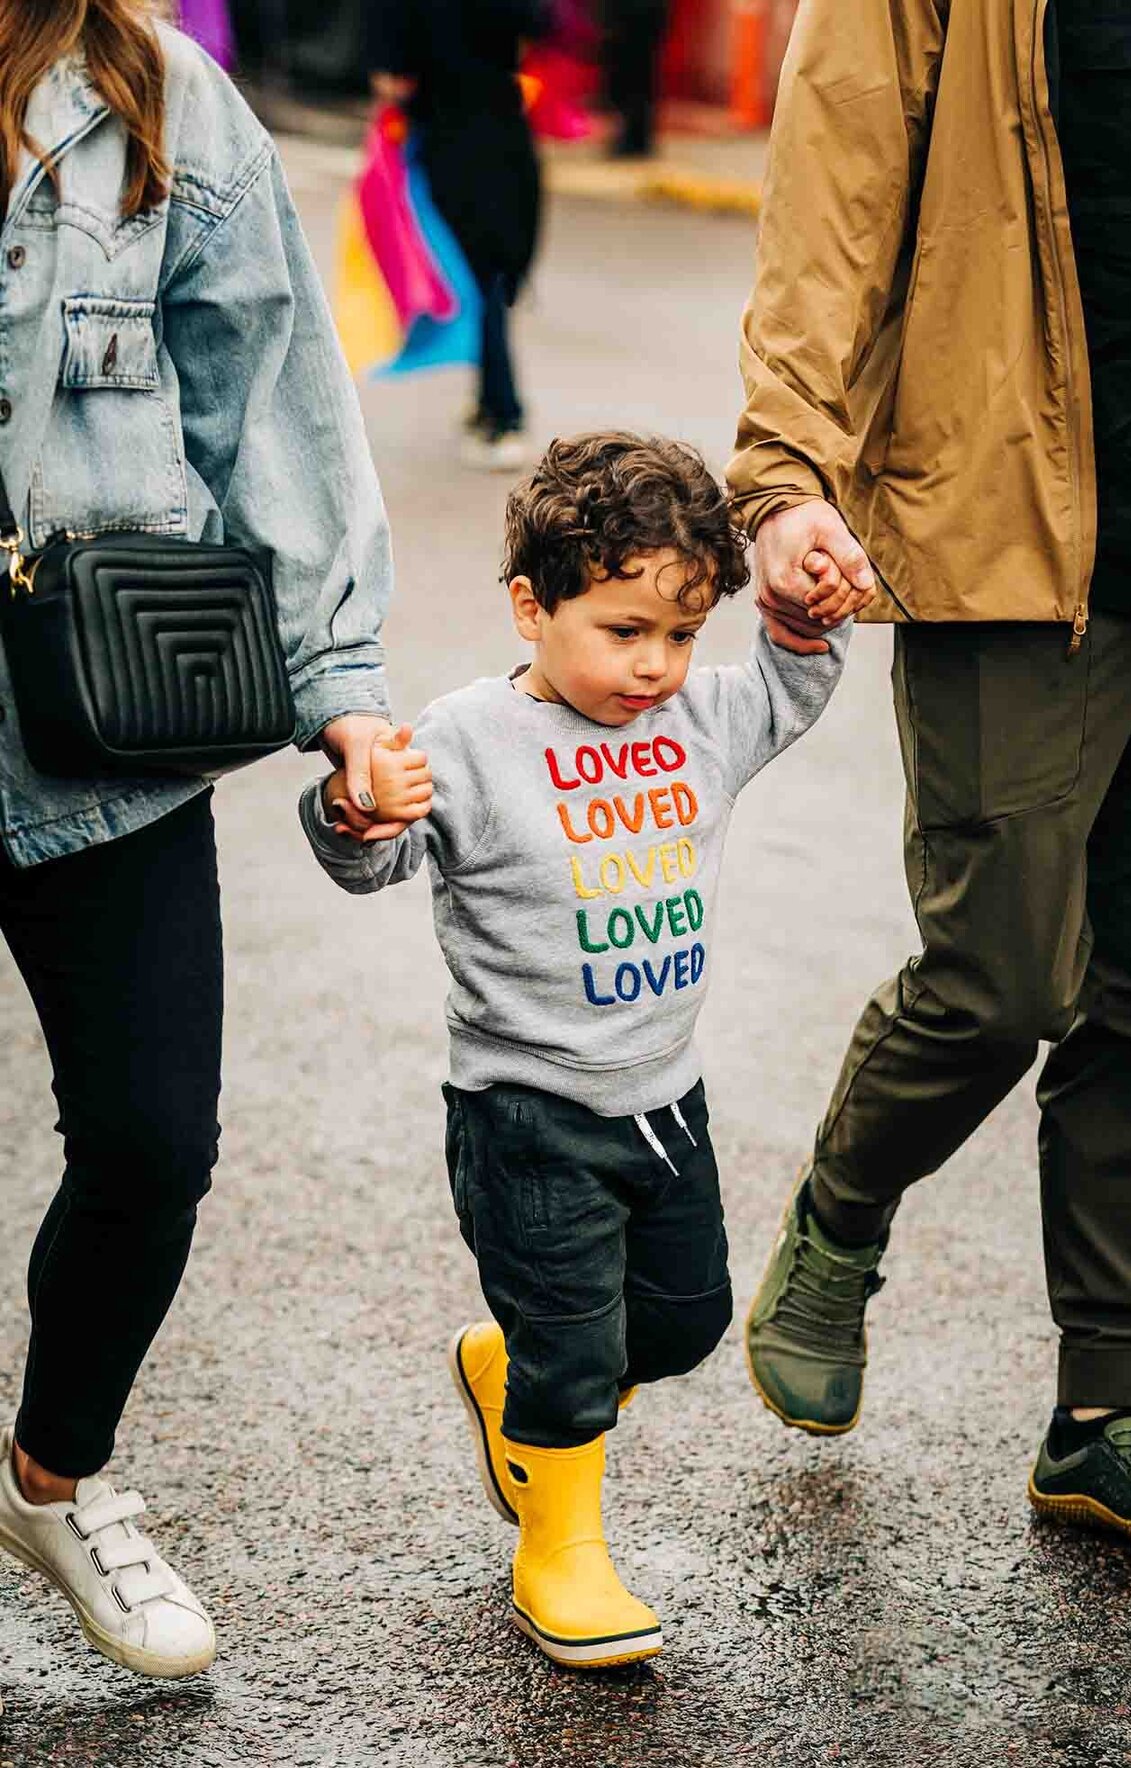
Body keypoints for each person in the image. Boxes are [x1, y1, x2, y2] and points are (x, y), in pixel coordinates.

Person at [732, 0, 1131, 1567]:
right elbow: (837, 186)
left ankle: (1105, 1422)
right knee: (1003, 976)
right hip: (1013, 533)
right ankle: (844, 1207)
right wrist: (786, 471)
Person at [301, 432, 848, 1666]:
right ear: (531, 607)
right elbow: (375, 855)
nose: (655, 666)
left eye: (679, 635)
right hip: (524, 1112)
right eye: (621, 631)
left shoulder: (697, 718)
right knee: (578, 1349)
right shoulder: (472, 739)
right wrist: (355, 802)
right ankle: (561, 1547)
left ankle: (514, 1369)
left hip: (663, 1099)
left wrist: (806, 613)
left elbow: (785, 689)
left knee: (686, 1320)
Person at [0, 0, 394, 1676]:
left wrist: (342, 686)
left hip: (97, 718)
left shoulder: (158, 97)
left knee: (153, 1138)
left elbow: (275, 396)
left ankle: (50, 1477)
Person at [364, 1, 548, 473]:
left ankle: (505, 414)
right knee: (496, 273)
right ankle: (491, 404)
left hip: (448, 142)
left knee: (476, 277)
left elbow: (392, 77)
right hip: (508, 135)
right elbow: (535, 27)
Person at [602, 0, 669, 159]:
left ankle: (634, 137)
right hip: (637, 24)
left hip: (633, 25)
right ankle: (635, 137)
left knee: (634, 84)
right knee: (636, 83)